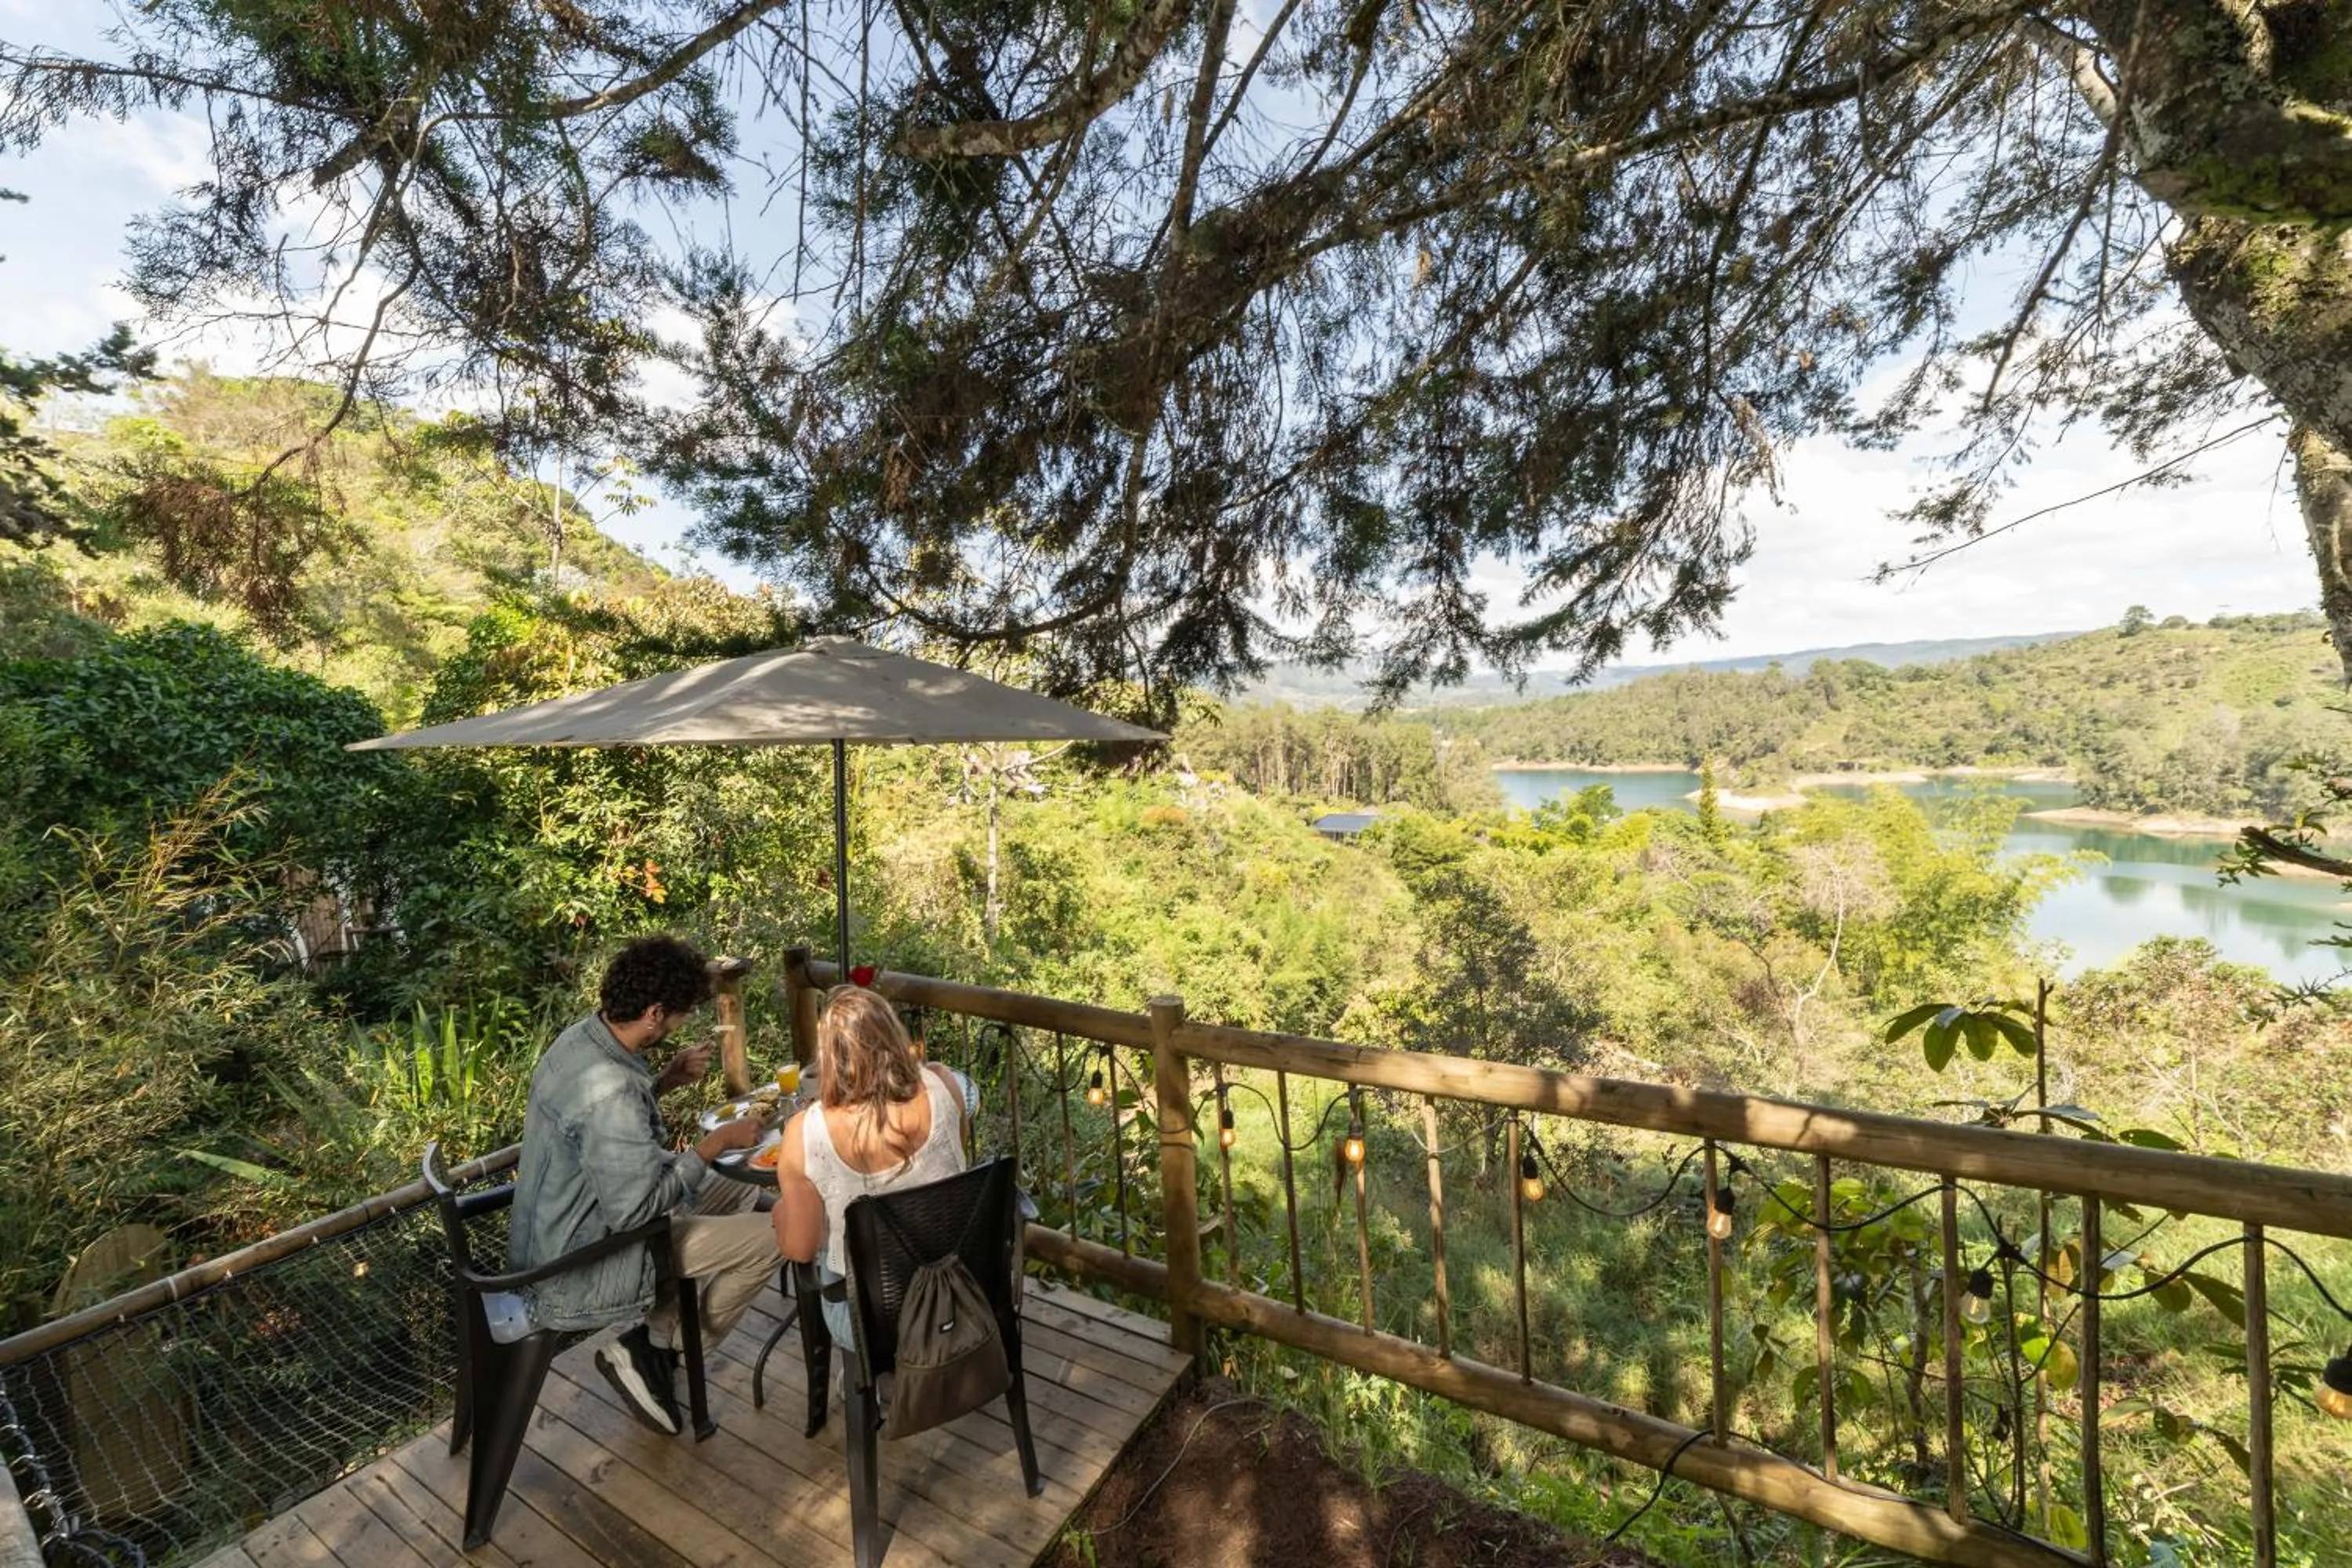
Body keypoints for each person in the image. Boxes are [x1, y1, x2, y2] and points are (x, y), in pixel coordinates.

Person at [508, 934, 779, 1436]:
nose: (682, 1024)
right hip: (589, 1259)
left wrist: (665, 1082)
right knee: (778, 1236)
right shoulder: (610, 1090)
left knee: (738, 1190)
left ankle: (654, 1341)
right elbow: (635, 1211)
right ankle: (660, 1347)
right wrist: (713, 1145)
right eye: (680, 1014)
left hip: (561, 1230)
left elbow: (608, 1134)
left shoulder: (582, 1041)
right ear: (655, 1012)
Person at [770, 985, 971, 1351]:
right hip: (960, 1289)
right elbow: (957, 1170)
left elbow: (799, 1249)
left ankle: (862, 1383)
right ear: (894, 1036)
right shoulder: (944, 1082)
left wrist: (780, 1214)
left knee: (822, 1248)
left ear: (829, 1057)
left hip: (875, 1321)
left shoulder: (805, 1130)